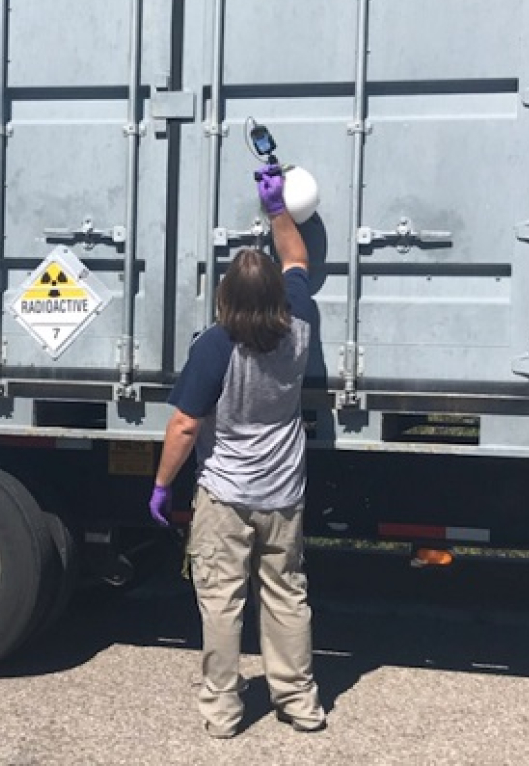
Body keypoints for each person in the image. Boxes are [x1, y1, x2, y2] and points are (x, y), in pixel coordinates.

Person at [148, 162, 325, 738]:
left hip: (225, 495)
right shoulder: (299, 324)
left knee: (221, 602)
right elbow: (297, 260)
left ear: (225, 298)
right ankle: (299, 702)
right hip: (283, 492)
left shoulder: (214, 347)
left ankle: (223, 712)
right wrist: (277, 209)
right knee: (286, 595)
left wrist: (161, 485)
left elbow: (182, 427)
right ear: (277, 293)